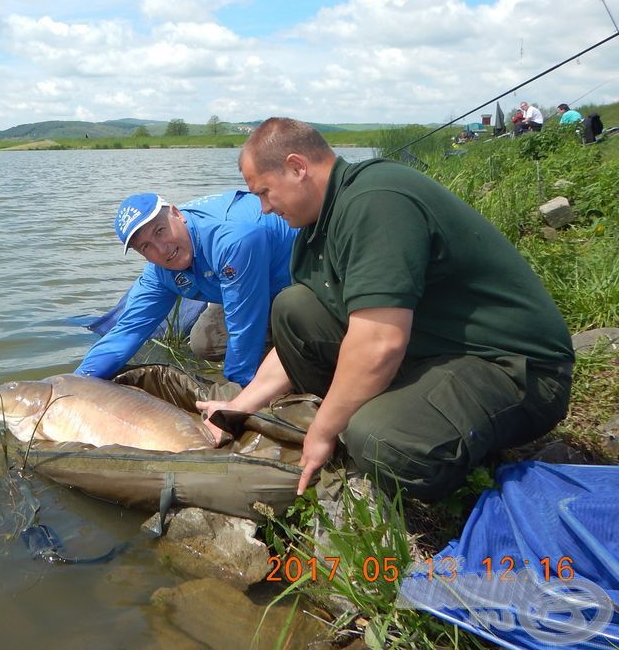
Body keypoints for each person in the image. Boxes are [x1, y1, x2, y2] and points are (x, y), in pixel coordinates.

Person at [196, 118, 574, 501]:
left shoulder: (375, 200)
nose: (262, 209)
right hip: (431, 350)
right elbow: (308, 338)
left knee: (377, 439)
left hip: (512, 368)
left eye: (264, 192)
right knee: (294, 307)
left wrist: (323, 430)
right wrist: (237, 409)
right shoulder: (315, 229)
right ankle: (384, 413)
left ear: (297, 168)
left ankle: (443, 467)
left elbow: (380, 341)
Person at [75, 191, 298, 388]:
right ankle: (273, 353)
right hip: (247, 290)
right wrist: (75, 384)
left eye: (160, 231)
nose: (162, 250)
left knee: (250, 357)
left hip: (298, 281)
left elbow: (244, 324)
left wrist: (236, 394)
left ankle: (292, 358)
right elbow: (125, 333)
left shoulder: (232, 238)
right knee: (203, 343)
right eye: (146, 247)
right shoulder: (158, 273)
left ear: (176, 213)